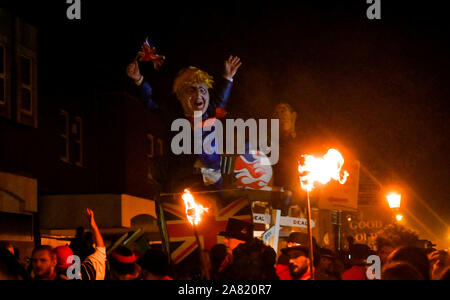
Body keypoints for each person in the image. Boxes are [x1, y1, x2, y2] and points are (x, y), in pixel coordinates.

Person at [126, 56, 242, 192]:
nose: (198, 94)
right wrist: (139, 79)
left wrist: (228, 77)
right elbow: (152, 103)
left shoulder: (211, 115)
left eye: (203, 90)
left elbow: (221, 98)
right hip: (183, 182)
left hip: (211, 182)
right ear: (180, 96)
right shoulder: (174, 119)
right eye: (191, 90)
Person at [54, 209, 107, 280]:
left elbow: (100, 249)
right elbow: (100, 248)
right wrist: (94, 226)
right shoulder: (91, 269)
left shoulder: (54, 277)